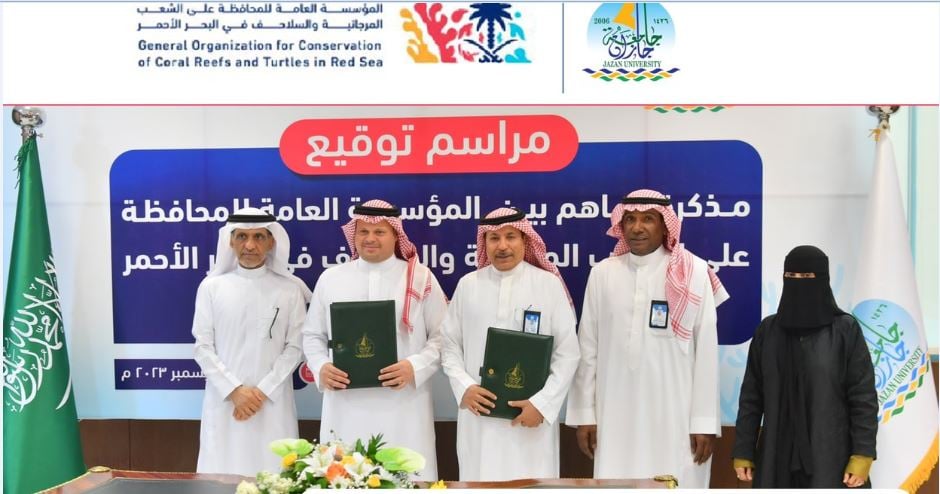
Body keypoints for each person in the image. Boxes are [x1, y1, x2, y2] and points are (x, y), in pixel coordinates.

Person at [565, 189, 729, 488]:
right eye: (630, 219)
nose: (637, 227)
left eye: (648, 219)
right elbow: (588, 349)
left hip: (675, 415)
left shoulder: (693, 272)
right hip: (614, 414)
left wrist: (704, 422)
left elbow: (706, 352)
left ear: (665, 225)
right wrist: (585, 415)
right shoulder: (602, 273)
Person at [303, 199, 447, 479]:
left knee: (406, 478)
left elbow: (443, 337)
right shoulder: (331, 278)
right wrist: (321, 367)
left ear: (395, 235)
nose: (370, 238)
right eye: (363, 231)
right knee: (345, 478)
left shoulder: (420, 278)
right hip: (345, 404)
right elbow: (312, 336)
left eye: (379, 231)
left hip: (404, 404)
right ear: (353, 235)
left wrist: (414, 367)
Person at [440, 207, 580, 481]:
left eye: (511, 237)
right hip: (479, 416)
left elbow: (567, 354)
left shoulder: (548, 285)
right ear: (484, 243)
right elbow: (450, 345)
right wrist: (464, 387)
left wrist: (542, 404)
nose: (502, 246)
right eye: (494, 238)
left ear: (525, 240)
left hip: (530, 419)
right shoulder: (468, 285)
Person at [732, 245, 877, 488]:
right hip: (776, 455)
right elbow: (751, 397)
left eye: (807, 276)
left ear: (822, 279)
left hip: (831, 457)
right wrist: (744, 450)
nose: (798, 282)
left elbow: (863, 397)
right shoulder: (768, 331)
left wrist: (862, 454)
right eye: (792, 276)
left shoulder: (845, 331)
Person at [192, 207, 312, 476]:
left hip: (272, 403)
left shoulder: (290, 289)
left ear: (271, 242)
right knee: (220, 477)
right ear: (230, 241)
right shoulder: (211, 287)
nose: (250, 245)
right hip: (225, 402)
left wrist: (262, 392)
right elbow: (202, 346)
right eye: (242, 237)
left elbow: (295, 347)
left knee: (275, 476)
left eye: (259, 237)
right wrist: (234, 391)